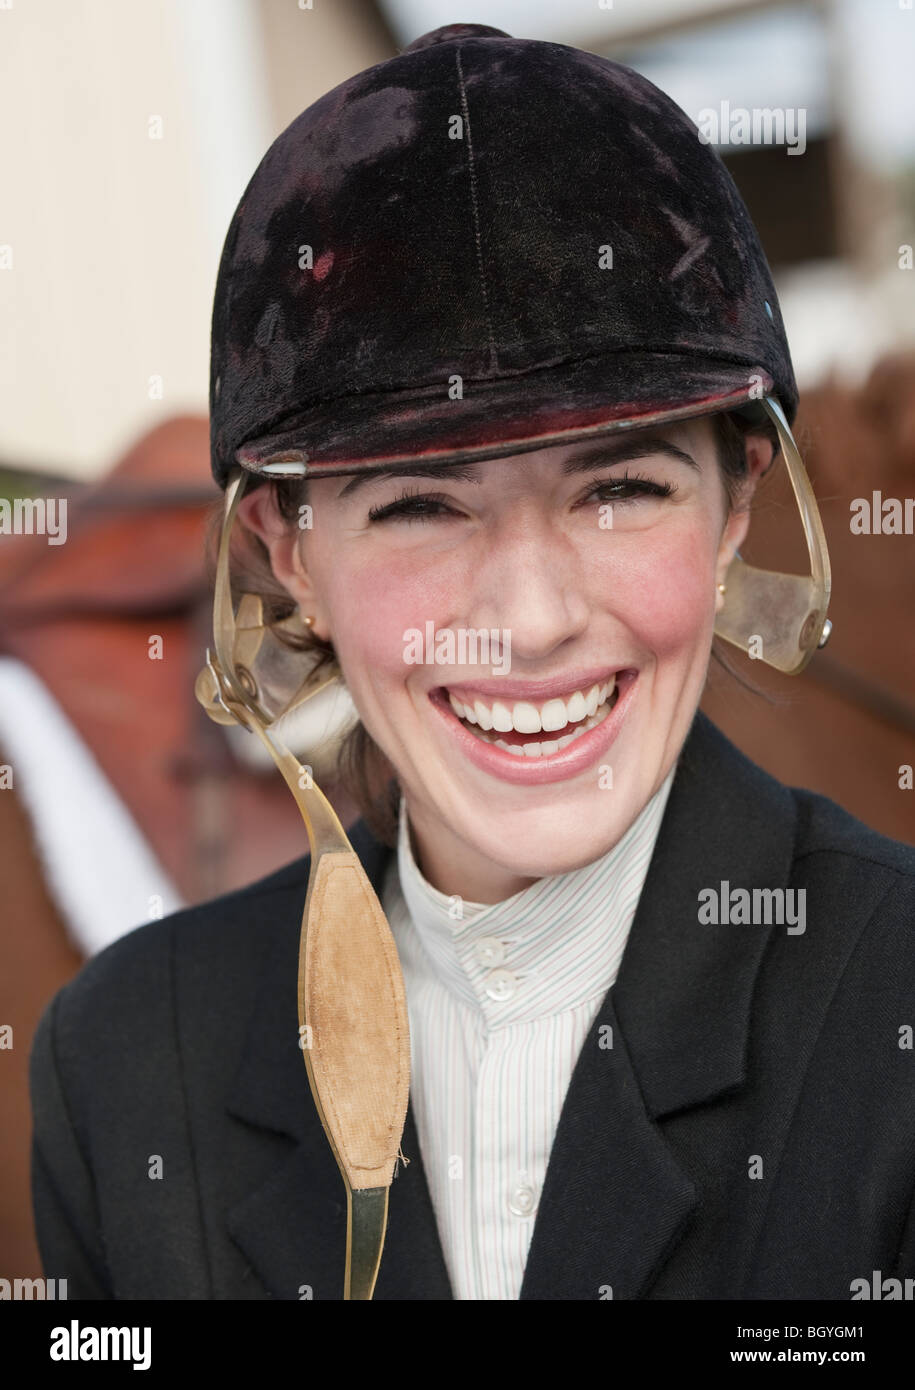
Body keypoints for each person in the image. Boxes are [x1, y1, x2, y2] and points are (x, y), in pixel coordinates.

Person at [29, 23, 915, 1301]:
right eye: (419, 508)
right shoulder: (119, 1070)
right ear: (289, 553)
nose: (534, 616)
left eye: (618, 489)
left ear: (736, 506)